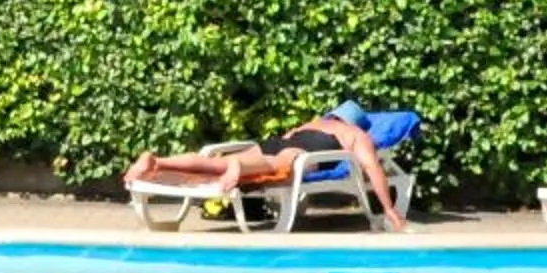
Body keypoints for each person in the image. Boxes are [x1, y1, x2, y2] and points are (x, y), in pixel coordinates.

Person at [124, 112, 409, 231]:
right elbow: (373, 169)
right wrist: (388, 208)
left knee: (216, 164)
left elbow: (288, 137)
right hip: (312, 148)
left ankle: (158, 163)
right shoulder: (356, 134)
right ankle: (240, 167)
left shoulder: (314, 122)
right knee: (277, 166)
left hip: (280, 141)